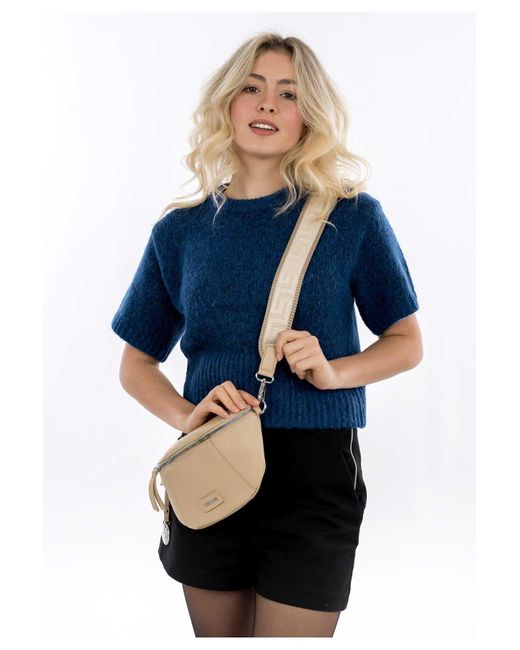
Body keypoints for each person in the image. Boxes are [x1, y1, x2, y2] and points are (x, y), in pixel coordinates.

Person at [111, 31, 423, 638]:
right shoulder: (180, 231)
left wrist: (332, 373)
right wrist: (186, 417)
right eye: (251, 88)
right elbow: (135, 364)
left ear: (310, 115)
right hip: (211, 461)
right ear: (226, 103)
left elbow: (407, 342)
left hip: (314, 469)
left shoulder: (353, 216)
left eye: (289, 93)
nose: (267, 104)